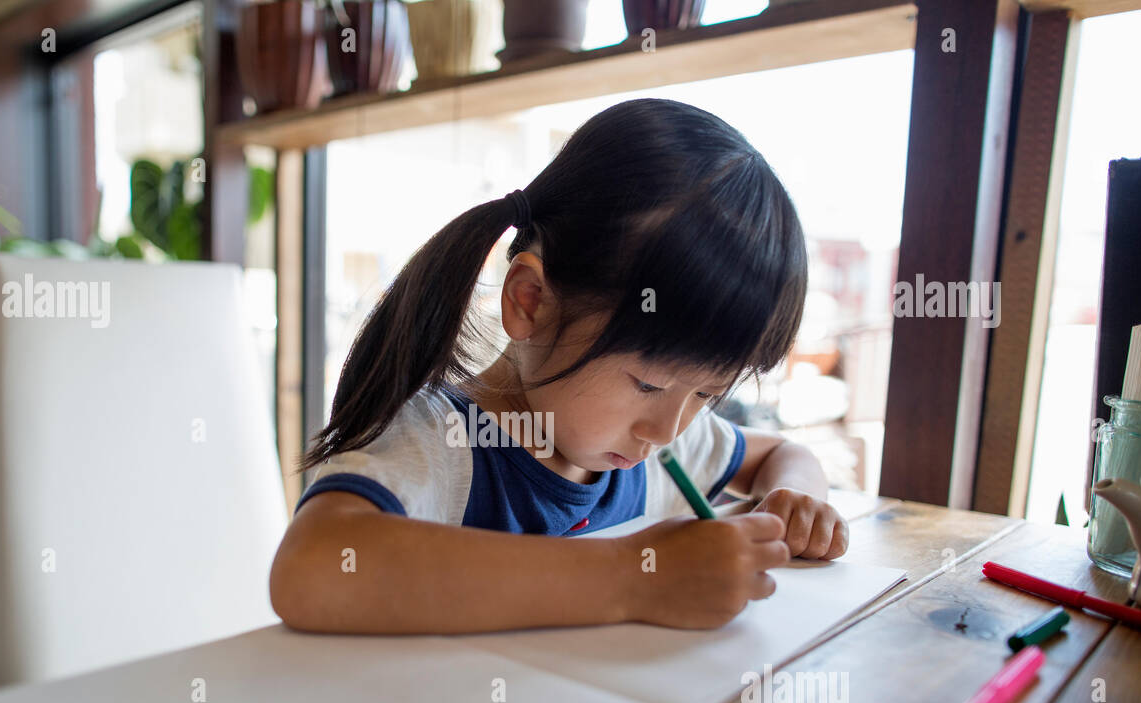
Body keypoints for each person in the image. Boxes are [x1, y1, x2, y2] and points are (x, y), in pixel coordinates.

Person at [270, 98, 848, 635]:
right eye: (647, 383)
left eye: (707, 396)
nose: (667, 429)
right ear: (530, 302)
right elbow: (312, 565)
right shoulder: (445, 447)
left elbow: (780, 455)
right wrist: (631, 578)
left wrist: (795, 501)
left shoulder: (657, 454)